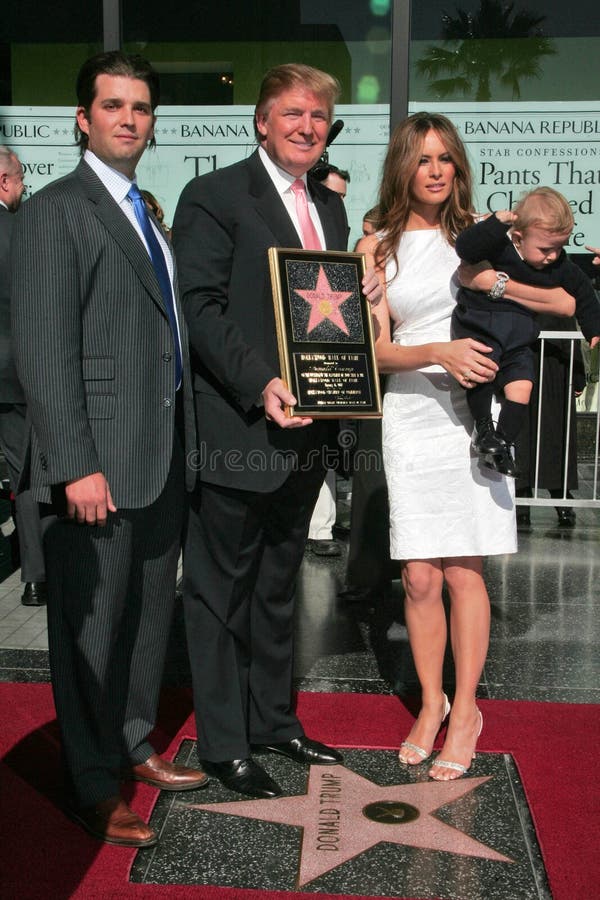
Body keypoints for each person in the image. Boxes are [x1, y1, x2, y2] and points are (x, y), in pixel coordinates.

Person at [10, 51, 208, 848]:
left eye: (142, 108)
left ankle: (131, 740)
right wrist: (72, 464)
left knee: (147, 619)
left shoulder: (144, 214)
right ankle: (92, 782)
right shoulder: (56, 210)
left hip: (158, 458)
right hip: (97, 466)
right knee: (90, 632)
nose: (130, 118)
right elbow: (45, 351)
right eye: (114, 105)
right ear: (83, 119)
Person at [172, 63, 381, 799]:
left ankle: (274, 720)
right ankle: (224, 742)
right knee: (218, 593)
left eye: (318, 116)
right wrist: (259, 382)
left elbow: (318, 313)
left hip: (307, 436)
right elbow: (198, 308)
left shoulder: (326, 209)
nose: (306, 126)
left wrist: (361, 293)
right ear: (262, 120)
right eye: (292, 113)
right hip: (239, 427)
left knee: (277, 590)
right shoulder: (214, 195)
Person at [357, 112, 575, 781]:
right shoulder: (374, 246)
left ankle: (468, 709)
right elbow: (372, 352)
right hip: (415, 412)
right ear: (403, 166)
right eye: (423, 158)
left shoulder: (484, 236)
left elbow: (566, 302)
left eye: (445, 158)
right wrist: (437, 351)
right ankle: (431, 703)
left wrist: (494, 284)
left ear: (458, 167)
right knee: (419, 575)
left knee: (462, 572)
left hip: (477, 416)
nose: (435, 169)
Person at [452, 187, 600, 476]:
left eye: (559, 247)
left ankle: (501, 441)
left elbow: (582, 292)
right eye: (545, 249)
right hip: (483, 328)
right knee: (481, 373)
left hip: (518, 339)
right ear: (519, 237)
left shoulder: (558, 264)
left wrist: (593, 327)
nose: (552, 256)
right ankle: (483, 428)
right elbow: (466, 248)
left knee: (523, 386)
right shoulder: (499, 248)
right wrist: (495, 223)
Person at [0, 146, 47, 606]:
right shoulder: (22, 232)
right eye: (20, 181)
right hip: (14, 376)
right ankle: (34, 577)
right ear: (4, 181)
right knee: (24, 475)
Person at [305, 162, 351, 558]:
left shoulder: (337, 229)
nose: (339, 205)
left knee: (324, 444)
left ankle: (322, 525)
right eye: (334, 195)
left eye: (343, 199)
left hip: (329, 346)